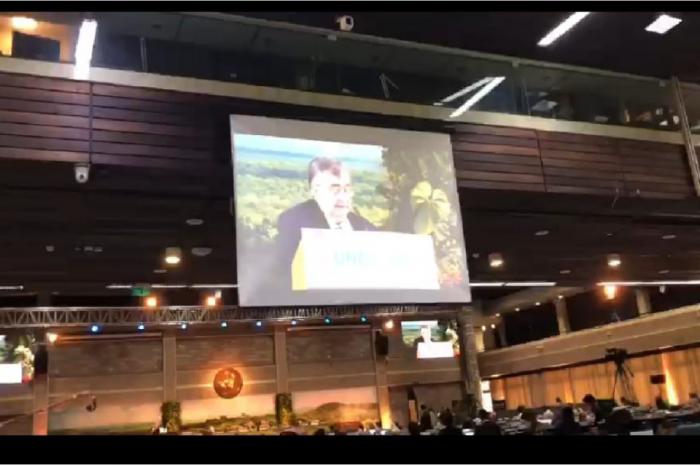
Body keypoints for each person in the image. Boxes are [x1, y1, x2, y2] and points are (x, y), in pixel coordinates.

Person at [275, 157, 377, 287]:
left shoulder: (366, 227)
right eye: (335, 189)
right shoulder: (293, 222)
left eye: (347, 189)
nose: (342, 197)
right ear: (315, 190)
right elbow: (286, 277)